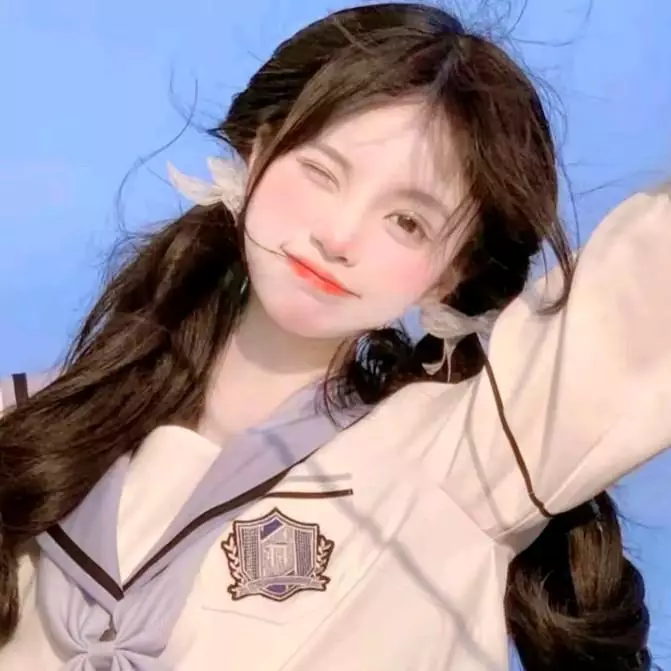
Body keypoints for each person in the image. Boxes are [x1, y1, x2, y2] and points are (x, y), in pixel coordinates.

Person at [0, 3, 668, 669]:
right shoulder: (28, 426)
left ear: (453, 273)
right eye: (321, 172)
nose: (339, 236)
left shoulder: (462, 461)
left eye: (407, 221)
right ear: (257, 151)